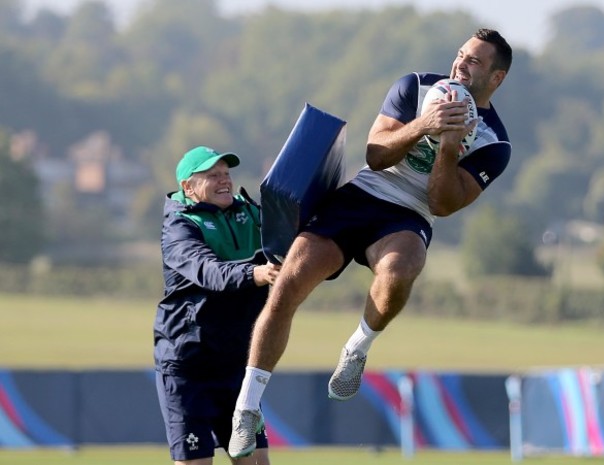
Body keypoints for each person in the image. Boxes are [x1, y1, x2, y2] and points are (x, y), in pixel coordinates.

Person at [228, 28, 513, 458]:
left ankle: (357, 348)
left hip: (409, 214)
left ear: (496, 78)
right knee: (287, 283)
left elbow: (442, 203)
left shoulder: (496, 144)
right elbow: (377, 154)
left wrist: (448, 148)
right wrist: (425, 125)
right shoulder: (414, 86)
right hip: (362, 193)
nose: (461, 64)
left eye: (474, 62)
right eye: (460, 55)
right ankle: (247, 408)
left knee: (400, 272)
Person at [154, 145, 280, 465]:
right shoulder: (179, 227)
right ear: (188, 187)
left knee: (256, 462)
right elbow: (210, 273)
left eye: (226, 174)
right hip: (188, 366)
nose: (224, 180)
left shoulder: (251, 212)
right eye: (213, 175)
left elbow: (291, 238)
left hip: (237, 364)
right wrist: (257, 273)